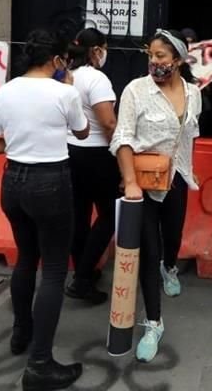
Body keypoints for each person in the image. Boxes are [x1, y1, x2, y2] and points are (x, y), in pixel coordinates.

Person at [0, 30, 89, 391]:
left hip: (13, 180)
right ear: (58, 60)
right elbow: (83, 132)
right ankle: (40, 363)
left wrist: (20, 139)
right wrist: (69, 85)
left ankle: (20, 332)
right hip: (51, 180)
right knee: (55, 270)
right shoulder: (65, 92)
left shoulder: (4, 91)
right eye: (65, 60)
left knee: (27, 258)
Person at [111, 29, 202, 362]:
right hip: (144, 186)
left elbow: (189, 136)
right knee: (148, 252)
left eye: (161, 56)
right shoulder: (137, 90)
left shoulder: (194, 93)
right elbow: (122, 137)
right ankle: (153, 322)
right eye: (150, 55)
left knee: (172, 237)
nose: (154, 62)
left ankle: (171, 268)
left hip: (177, 180)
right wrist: (130, 181)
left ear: (177, 59)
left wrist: (190, 169)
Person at [64, 27, 118, 304]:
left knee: (80, 215)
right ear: (97, 50)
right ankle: (83, 276)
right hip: (98, 154)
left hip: (70, 153)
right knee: (109, 215)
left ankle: (84, 270)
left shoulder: (65, 77)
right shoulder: (96, 79)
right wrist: (121, 151)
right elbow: (108, 122)